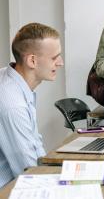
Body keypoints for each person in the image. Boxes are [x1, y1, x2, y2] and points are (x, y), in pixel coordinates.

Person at [0, 23, 64, 188]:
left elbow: (33, 145)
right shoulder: (13, 105)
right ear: (32, 60)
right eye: (54, 57)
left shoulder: (11, 80)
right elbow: (29, 171)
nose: (60, 63)